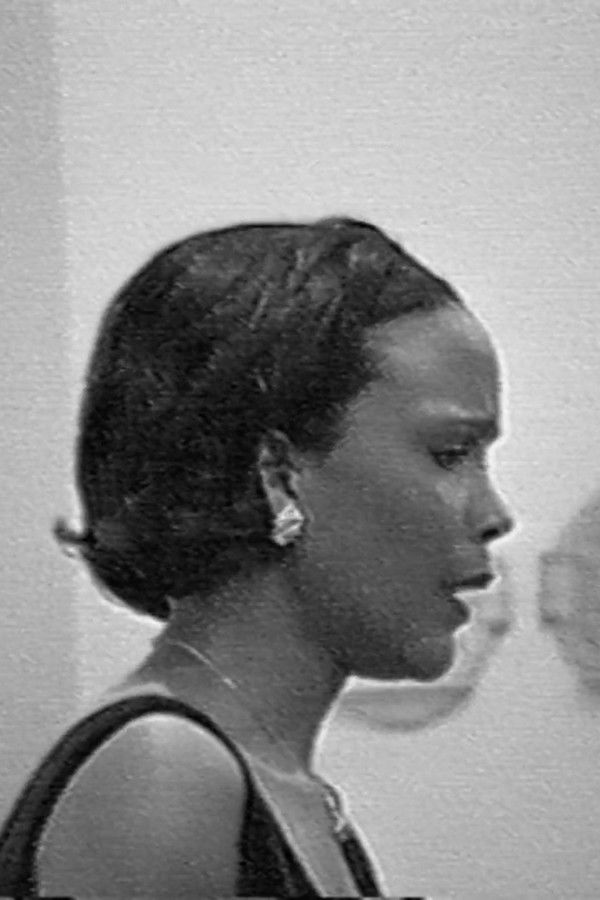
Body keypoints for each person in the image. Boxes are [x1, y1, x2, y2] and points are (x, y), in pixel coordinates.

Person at [0, 216, 514, 897]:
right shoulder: (166, 773)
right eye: (450, 453)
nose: (495, 515)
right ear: (277, 473)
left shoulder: (275, 782)